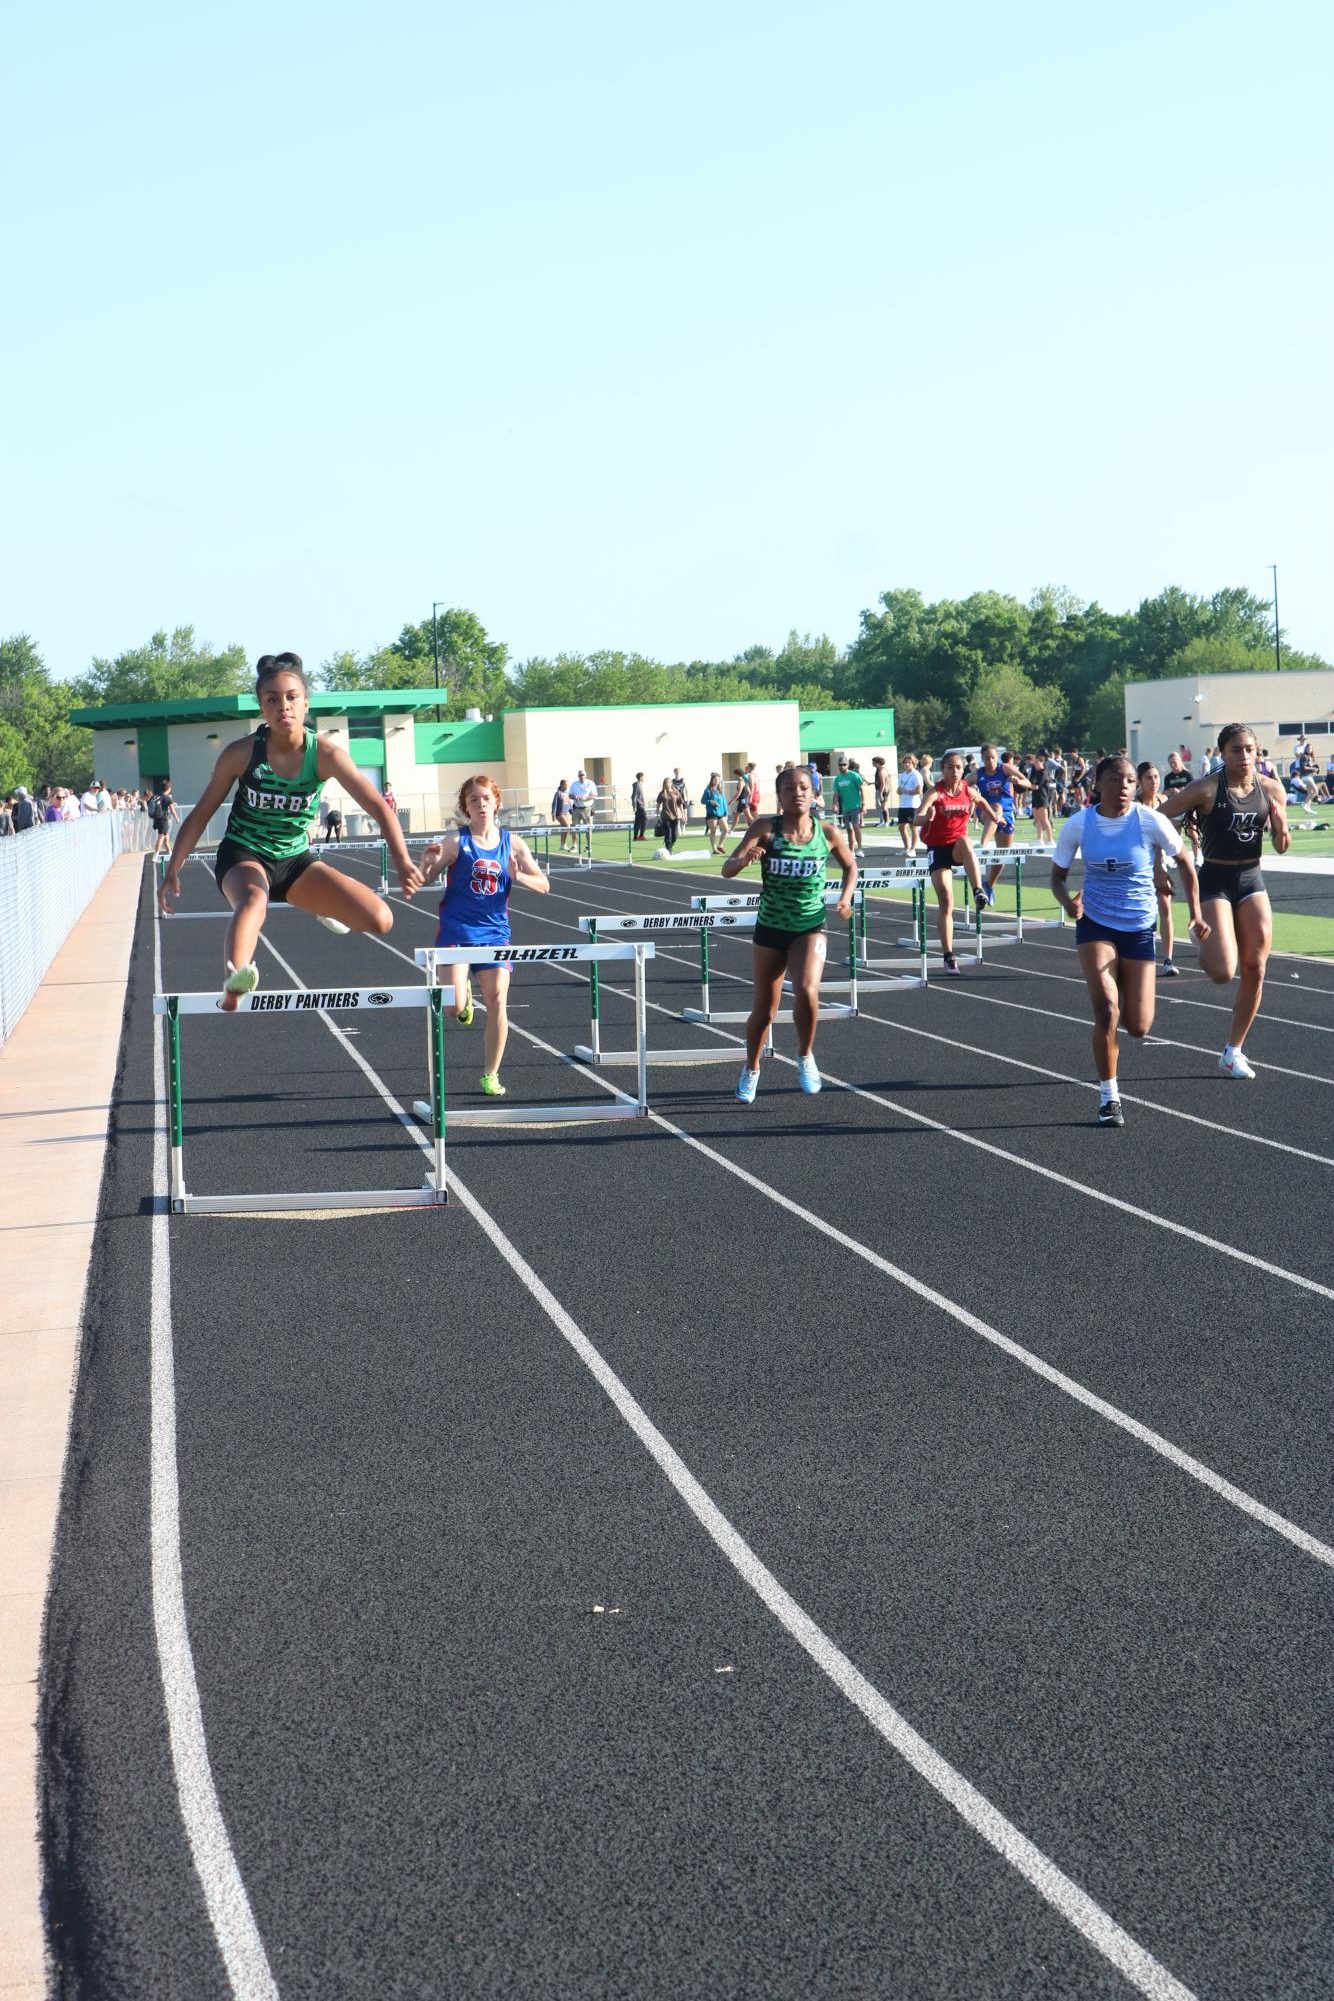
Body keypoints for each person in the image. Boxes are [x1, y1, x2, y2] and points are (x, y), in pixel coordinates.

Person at [158, 652, 423, 1010]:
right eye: (272, 699)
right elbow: (201, 813)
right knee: (254, 901)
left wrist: (403, 860)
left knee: (380, 920)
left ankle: (320, 905)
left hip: (295, 859)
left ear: (305, 704)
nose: (283, 706)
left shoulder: (326, 754)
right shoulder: (240, 754)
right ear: (262, 708)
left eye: (291, 697)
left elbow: (378, 806)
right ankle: (234, 982)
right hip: (244, 854)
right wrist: (173, 867)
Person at [1050, 754, 1207, 1126]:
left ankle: (1121, 1000)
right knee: (1106, 1008)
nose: (1122, 786)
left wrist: (1195, 913)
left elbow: (1184, 861)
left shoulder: (1149, 821)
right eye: (1115, 779)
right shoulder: (1079, 825)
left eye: (1128, 781)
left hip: (1137, 927)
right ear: (1097, 785)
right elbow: (1057, 876)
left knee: (1138, 1027)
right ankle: (1109, 1097)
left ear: (1136, 788)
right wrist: (1067, 902)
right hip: (1095, 925)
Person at [1159, 723, 1289, 1078]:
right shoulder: (1205, 788)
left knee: (1256, 968)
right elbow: (1158, 818)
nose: (1244, 756)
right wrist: (1162, 864)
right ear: (1222, 753)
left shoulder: (1272, 789)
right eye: (1236, 750)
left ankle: (1233, 1051)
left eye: (1249, 749)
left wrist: (1280, 826)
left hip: (1251, 878)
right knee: (1221, 972)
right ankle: (1200, 937)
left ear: (1257, 752)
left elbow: (1281, 846)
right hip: (1215, 880)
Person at [722, 763, 857, 1102]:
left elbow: (850, 866)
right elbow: (727, 869)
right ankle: (752, 1068)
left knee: (808, 989)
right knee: (765, 1011)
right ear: (779, 796)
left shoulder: (826, 833)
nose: (796, 792)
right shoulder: (766, 828)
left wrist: (845, 898)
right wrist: (744, 859)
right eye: (788, 788)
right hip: (770, 928)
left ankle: (804, 1054)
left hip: (809, 925)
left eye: (803, 787)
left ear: (814, 794)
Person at [418, 774, 548, 1097]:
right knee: (452, 1006)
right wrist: (427, 864)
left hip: (494, 934)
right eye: (473, 800)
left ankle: (491, 1073)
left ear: (496, 803)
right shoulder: (455, 841)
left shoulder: (513, 844)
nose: (480, 805)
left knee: (498, 1001)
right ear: (465, 806)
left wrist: (518, 876)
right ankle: (463, 1006)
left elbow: (544, 884)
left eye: (486, 799)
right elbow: (425, 879)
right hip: (458, 931)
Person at [915, 752, 1000, 975]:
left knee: (965, 840)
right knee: (946, 900)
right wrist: (929, 817)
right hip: (937, 849)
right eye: (951, 767)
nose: (955, 771)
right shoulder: (935, 792)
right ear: (942, 770)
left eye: (959, 768)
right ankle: (948, 955)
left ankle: (978, 891)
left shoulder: (966, 789)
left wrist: (994, 816)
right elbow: (917, 818)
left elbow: (981, 800)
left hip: (956, 847)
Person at [1135, 762, 1179, 976]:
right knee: (1142, 910)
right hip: (1139, 862)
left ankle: (1168, 959)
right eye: (1148, 778)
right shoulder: (1134, 805)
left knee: (1165, 905)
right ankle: (1139, 956)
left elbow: (1168, 832)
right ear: (1139, 781)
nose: (1154, 781)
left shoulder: (1164, 801)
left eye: (1156, 777)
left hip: (1159, 862)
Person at [975, 744, 1033, 891]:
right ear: (982, 759)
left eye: (993, 758)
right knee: (996, 808)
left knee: (1003, 855)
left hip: (1007, 813)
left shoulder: (1005, 768)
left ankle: (989, 886)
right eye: (987, 758)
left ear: (997, 758)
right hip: (986, 811)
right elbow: (960, 785)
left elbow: (1028, 782)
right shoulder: (978, 774)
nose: (990, 761)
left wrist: (1017, 781)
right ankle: (982, 845)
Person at [832, 756, 868, 858]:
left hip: (855, 806)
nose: (842, 766)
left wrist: (863, 804)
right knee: (849, 829)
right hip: (845, 807)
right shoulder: (838, 779)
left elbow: (862, 789)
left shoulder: (854, 775)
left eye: (844, 764)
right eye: (840, 765)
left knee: (856, 826)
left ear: (847, 765)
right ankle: (851, 850)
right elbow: (836, 793)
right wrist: (834, 804)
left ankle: (860, 848)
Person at [895, 753, 923, 852]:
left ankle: (913, 849)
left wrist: (907, 791)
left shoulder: (916, 775)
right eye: (905, 762)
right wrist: (900, 791)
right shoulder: (902, 775)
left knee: (913, 827)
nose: (907, 764)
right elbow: (898, 790)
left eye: (909, 762)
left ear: (913, 763)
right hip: (903, 804)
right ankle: (906, 848)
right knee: (901, 827)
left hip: (913, 805)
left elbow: (919, 790)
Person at [147, 781, 180, 855]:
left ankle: (170, 854)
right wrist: (177, 818)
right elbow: (172, 809)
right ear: (169, 788)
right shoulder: (167, 798)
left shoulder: (158, 796)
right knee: (161, 837)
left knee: (166, 837)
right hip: (163, 820)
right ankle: (155, 855)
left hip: (157, 820)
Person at [700, 771, 728, 854]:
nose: (716, 781)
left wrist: (726, 813)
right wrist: (710, 801)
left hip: (721, 814)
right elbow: (702, 801)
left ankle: (720, 845)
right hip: (712, 813)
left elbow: (724, 803)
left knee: (725, 829)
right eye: (715, 779)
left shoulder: (720, 791)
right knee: (713, 831)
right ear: (712, 780)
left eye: (718, 779)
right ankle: (714, 849)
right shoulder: (708, 791)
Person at [655, 775, 683, 852]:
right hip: (665, 816)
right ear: (664, 784)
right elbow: (658, 804)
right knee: (668, 833)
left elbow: (680, 803)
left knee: (674, 835)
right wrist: (657, 814)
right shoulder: (662, 793)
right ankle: (669, 849)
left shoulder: (676, 792)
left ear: (671, 783)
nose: (667, 784)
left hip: (675, 816)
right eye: (666, 783)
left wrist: (682, 814)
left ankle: (670, 845)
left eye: (668, 782)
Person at [551, 778, 573, 852]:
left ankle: (563, 845)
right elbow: (554, 804)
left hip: (566, 814)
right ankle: (563, 845)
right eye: (566, 785)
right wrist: (553, 814)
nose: (567, 786)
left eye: (567, 785)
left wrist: (572, 812)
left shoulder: (567, 794)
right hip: (560, 814)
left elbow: (569, 805)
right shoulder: (558, 793)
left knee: (566, 828)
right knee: (567, 827)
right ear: (561, 785)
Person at [871, 755, 890, 826]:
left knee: (884, 806)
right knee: (882, 806)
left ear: (877, 762)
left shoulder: (881, 771)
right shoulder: (879, 769)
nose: (872, 763)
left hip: (883, 790)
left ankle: (886, 822)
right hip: (882, 789)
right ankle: (884, 821)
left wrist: (881, 794)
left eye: (873, 762)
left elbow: (883, 783)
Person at [630, 772, 648, 842]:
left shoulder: (639, 784)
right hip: (639, 805)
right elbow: (634, 796)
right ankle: (641, 835)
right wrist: (634, 806)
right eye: (643, 777)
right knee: (645, 819)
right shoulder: (637, 785)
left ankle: (635, 837)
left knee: (638, 821)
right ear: (640, 777)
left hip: (640, 805)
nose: (644, 778)